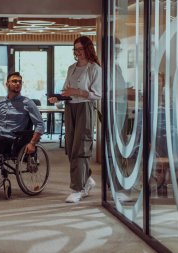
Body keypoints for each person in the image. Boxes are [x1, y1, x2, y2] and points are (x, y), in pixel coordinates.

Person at [48, 36, 102, 203]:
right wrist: (58, 97)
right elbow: (66, 90)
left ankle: (78, 188)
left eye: (80, 49)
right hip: (70, 107)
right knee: (71, 147)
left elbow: (97, 94)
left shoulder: (94, 69)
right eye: (75, 50)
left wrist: (77, 92)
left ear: (88, 49)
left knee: (81, 147)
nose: (78, 52)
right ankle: (87, 179)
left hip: (85, 108)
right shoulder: (71, 68)